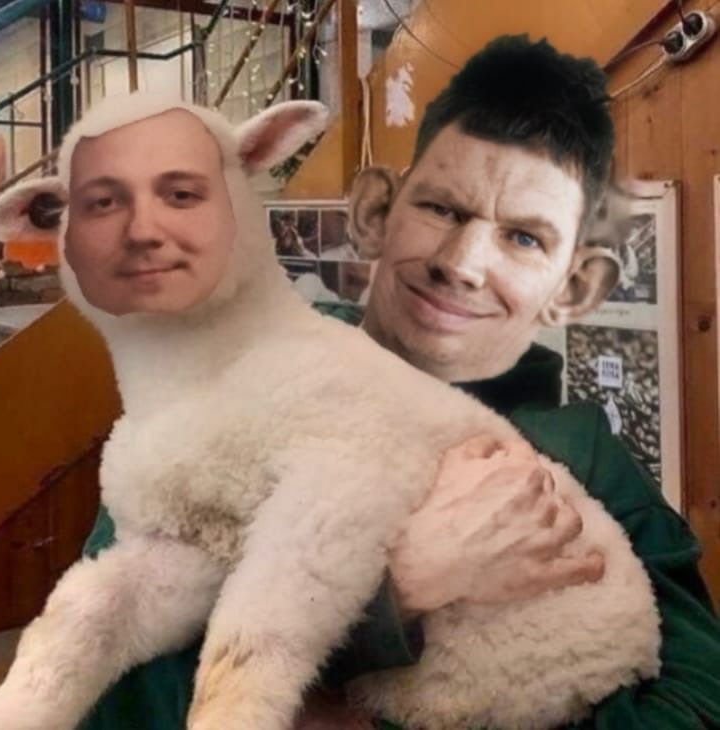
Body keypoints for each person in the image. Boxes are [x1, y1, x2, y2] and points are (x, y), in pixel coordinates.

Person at [80, 36, 720, 729]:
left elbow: (699, 699)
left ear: (574, 286)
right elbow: (106, 696)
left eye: (525, 238)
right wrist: (387, 594)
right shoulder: (218, 393)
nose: (463, 264)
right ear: (376, 213)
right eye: (443, 209)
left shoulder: (587, 458)